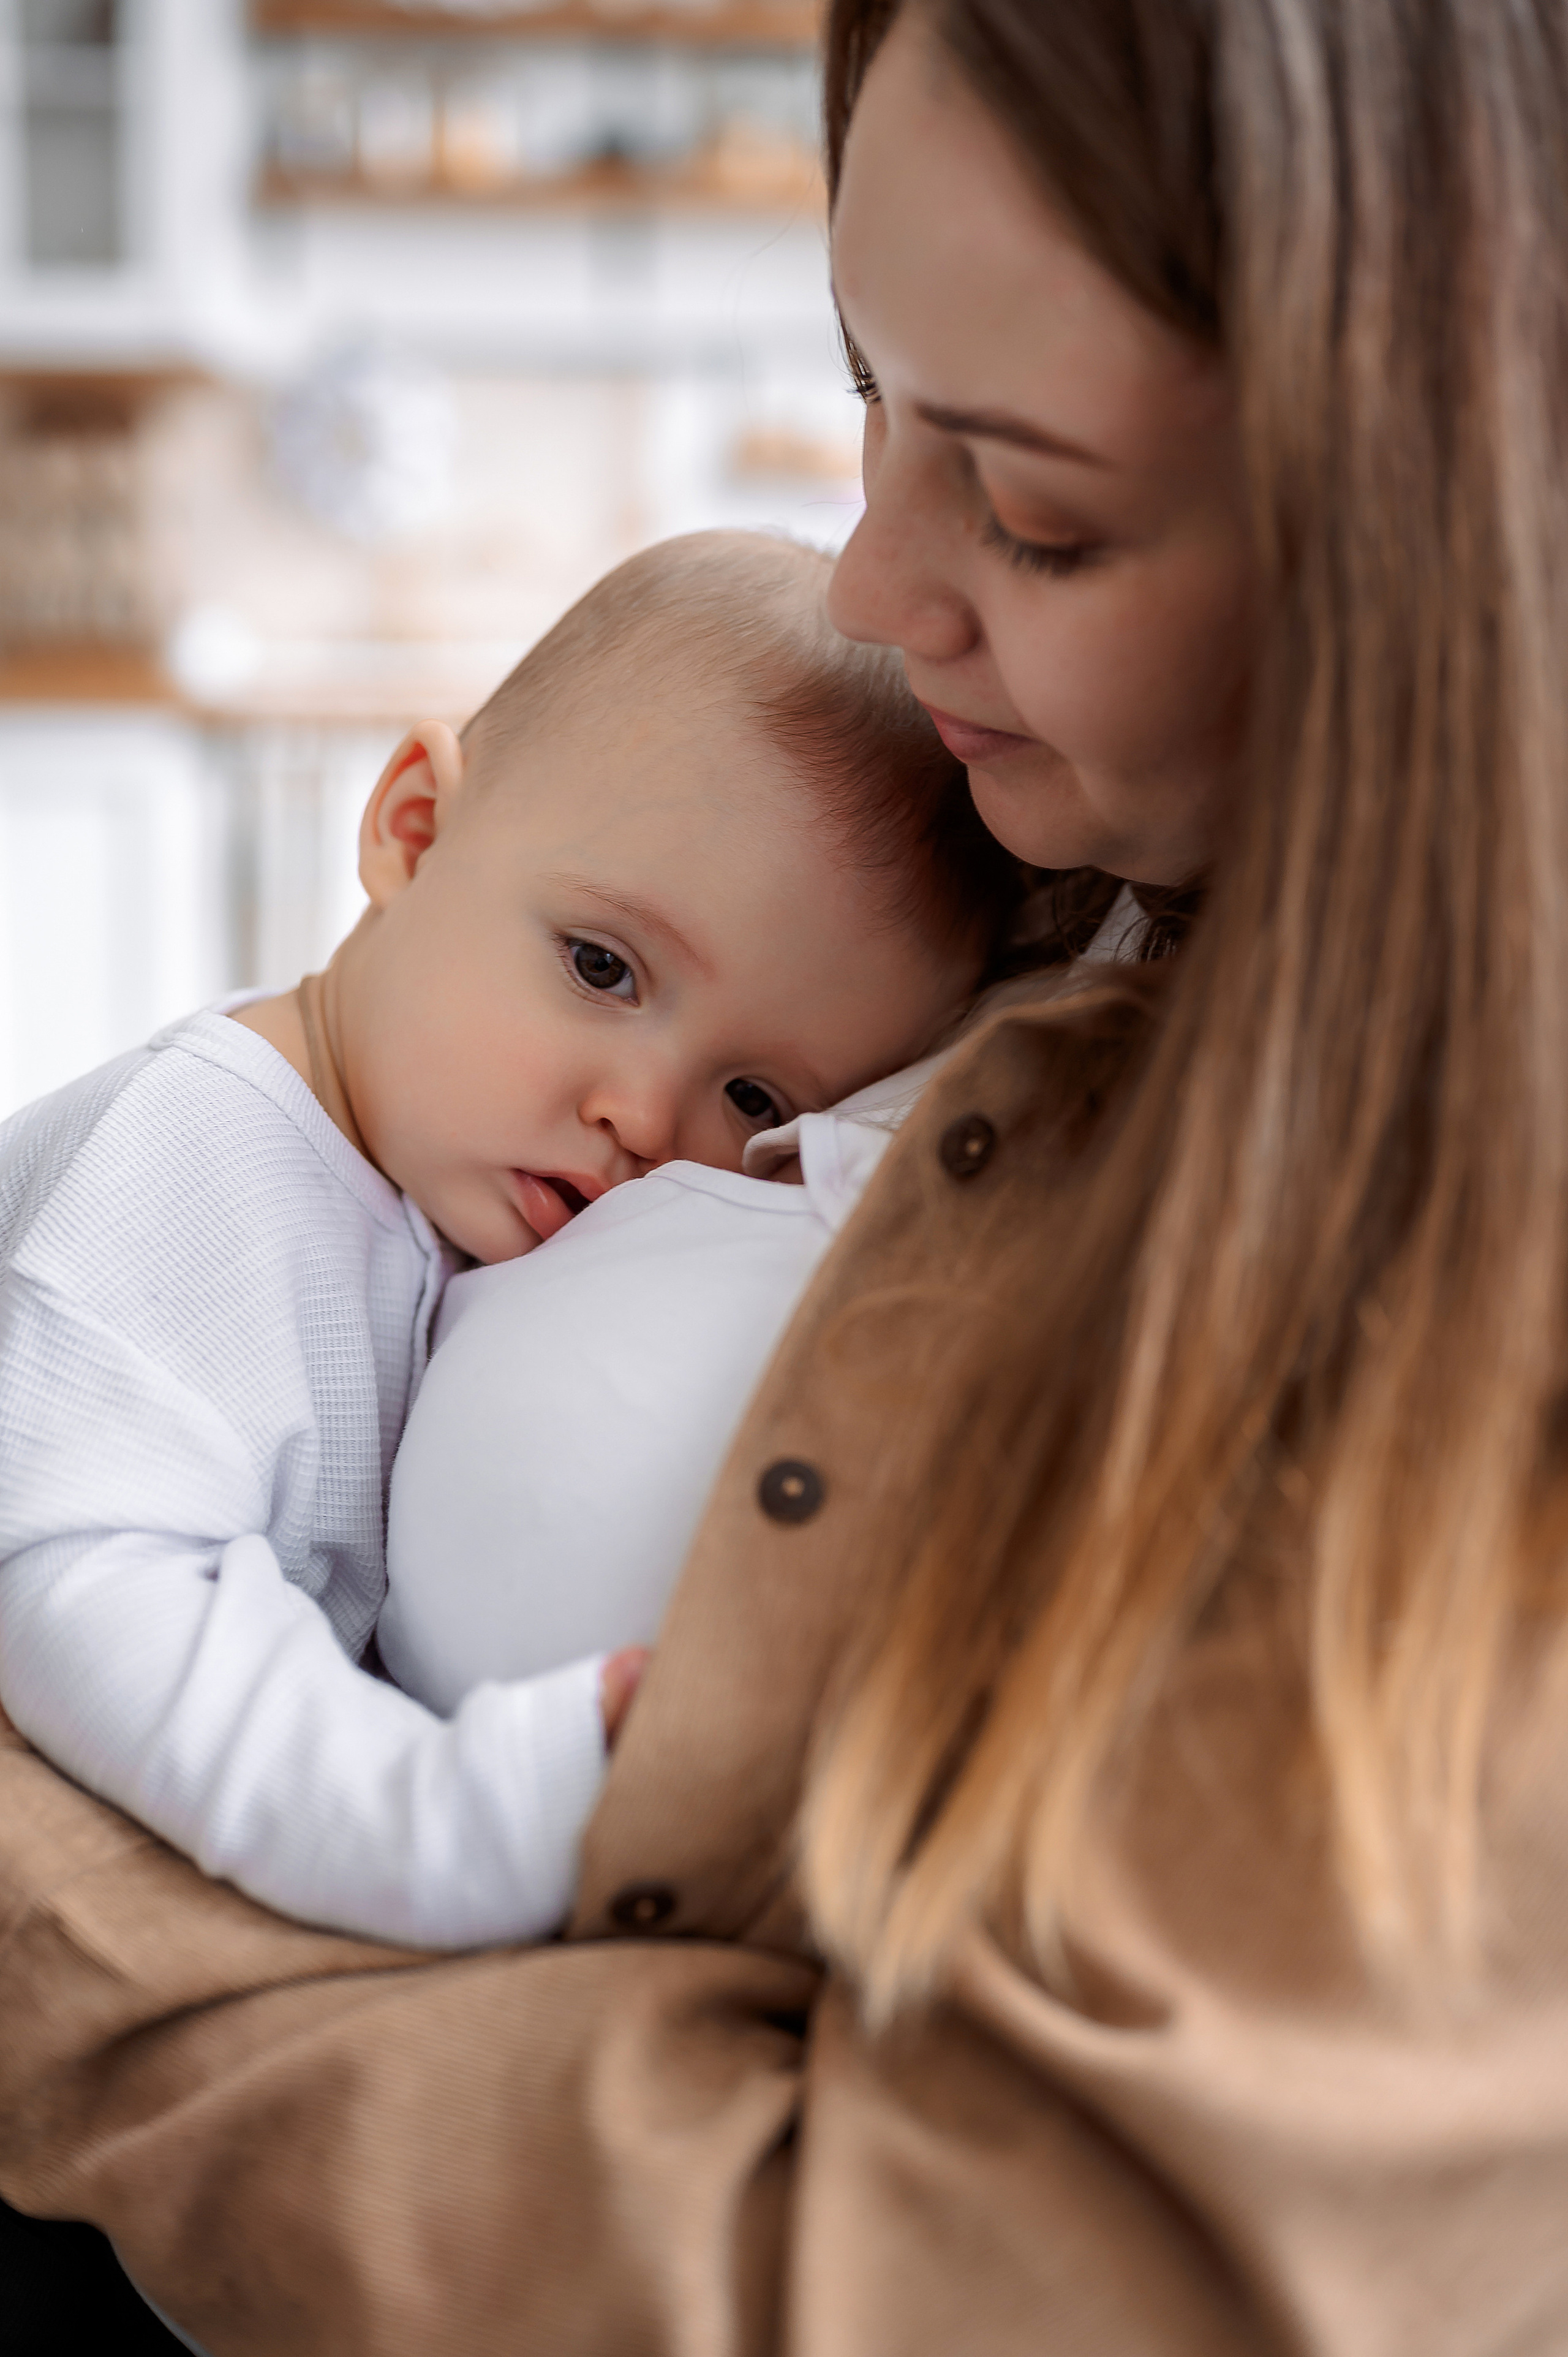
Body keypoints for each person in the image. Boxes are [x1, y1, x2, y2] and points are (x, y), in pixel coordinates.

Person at [6, 0, 1568, 2350]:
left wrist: (78, 1920)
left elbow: (947, 2281)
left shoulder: (1439, 1289)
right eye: (866, 386)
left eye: (1038, 509)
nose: (874, 577)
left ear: (1438, 542)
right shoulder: (1055, 835)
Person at [0, 528, 1009, 1953]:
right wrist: (447, 1815)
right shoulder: (189, 1162)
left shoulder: (423, 1178)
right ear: (411, 830)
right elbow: (76, 1588)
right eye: (603, 967)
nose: (643, 1113)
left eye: (755, 1097)